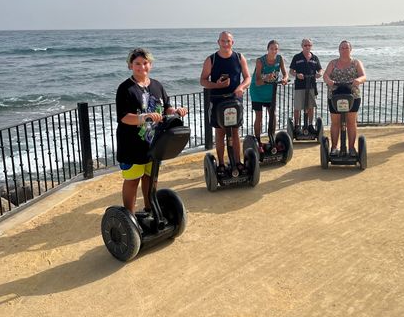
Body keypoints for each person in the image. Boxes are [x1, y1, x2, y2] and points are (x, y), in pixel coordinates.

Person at [116, 48, 188, 214]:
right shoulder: (125, 89)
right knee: (132, 180)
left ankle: (150, 209)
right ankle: (130, 217)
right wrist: (145, 117)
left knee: (150, 177)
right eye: (137, 64)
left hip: (154, 143)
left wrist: (177, 111)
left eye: (145, 63)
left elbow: (166, 108)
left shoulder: (157, 85)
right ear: (130, 66)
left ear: (151, 64)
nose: (142, 67)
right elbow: (124, 117)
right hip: (131, 145)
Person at [200, 31, 251, 174]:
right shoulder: (211, 59)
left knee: (235, 132)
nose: (225, 44)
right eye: (223, 41)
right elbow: (203, 80)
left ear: (232, 43)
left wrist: (241, 87)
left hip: (235, 100)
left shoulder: (240, 58)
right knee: (220, 132)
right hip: (217, 101)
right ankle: (221, 163)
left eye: (228, 41)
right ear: (218, 42)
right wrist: (217, 86)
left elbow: (248, 77)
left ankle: (237, 161)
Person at [323, 40, 366, 156]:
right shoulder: (333, 63)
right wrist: (329, 81)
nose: (344, 50)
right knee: (335, 122)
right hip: (335, 95)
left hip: (353, 96)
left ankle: (351, 148)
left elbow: (363, 76)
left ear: (350, 49)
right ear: (339, 50)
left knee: (351, 122)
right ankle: (334, 148)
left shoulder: (356, 62)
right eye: (342, 48)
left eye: (346, 48)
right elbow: (325, 75)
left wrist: (358, 80)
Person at [248, 40, 288, 148]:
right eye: (272, 49)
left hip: (270, 92)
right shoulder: (260, 61)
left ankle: (272, 138)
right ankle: (258, 141)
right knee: (259, 116)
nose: (274, 51)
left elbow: (285, 73)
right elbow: (257, 81)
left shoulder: (279, 59)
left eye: (276, 49)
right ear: (268, 49)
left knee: (272, 115)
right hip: (257, 91)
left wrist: (284, 79)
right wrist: (267, 77)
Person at [289, 38, 323, 133]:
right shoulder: (297, 57)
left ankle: (310, 125)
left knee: (310, 106)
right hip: (300, 86)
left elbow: (320, 69)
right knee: (298, 107)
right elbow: (291, 71)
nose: (307, 47)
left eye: (309, 45)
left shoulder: (315, 58)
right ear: (302, 46)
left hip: (311, 85)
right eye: (305, 45)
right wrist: (297, 75)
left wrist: (319, 74)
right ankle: (296, 126)